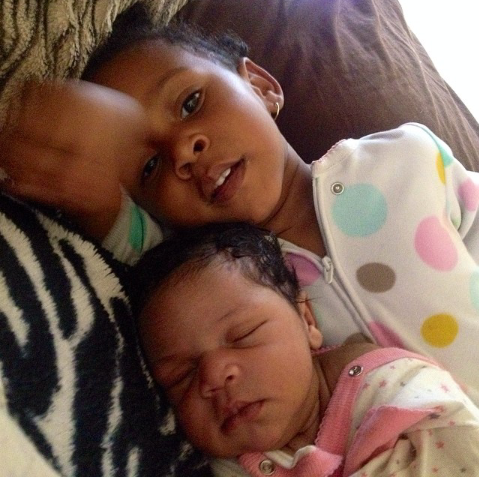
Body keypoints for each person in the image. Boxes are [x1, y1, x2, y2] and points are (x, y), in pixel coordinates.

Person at [1, 18, 479, 403]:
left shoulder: (404, 157)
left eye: (190, 103)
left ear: (261, 86)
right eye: (149, 166)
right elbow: (110, 216)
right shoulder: (212, 279)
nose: (182, 150)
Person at [128, 221, 479, 476]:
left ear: (307, 320)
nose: (213, 377)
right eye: (181, 376)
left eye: (243, 335)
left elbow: (464, 448)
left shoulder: (393, 386)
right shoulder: (222, 465)